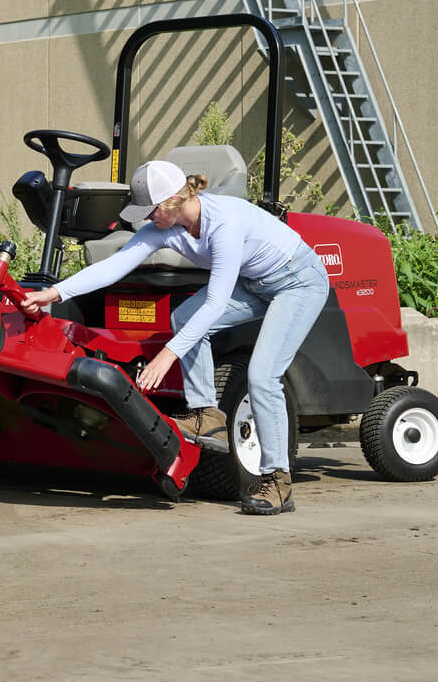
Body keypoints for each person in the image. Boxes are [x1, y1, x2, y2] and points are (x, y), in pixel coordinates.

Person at [20, 158, 330, 515]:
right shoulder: (163, 226)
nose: (145, 218)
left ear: (173, 202)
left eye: (150, 210)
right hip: (253, 283)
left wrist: (167, 355)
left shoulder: (224, 223)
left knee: (262, 376)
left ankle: (277, 480)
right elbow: (114, 266)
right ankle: (207, 414)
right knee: (183, 316)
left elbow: (214, 303)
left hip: (298, 281)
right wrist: (55, 293)